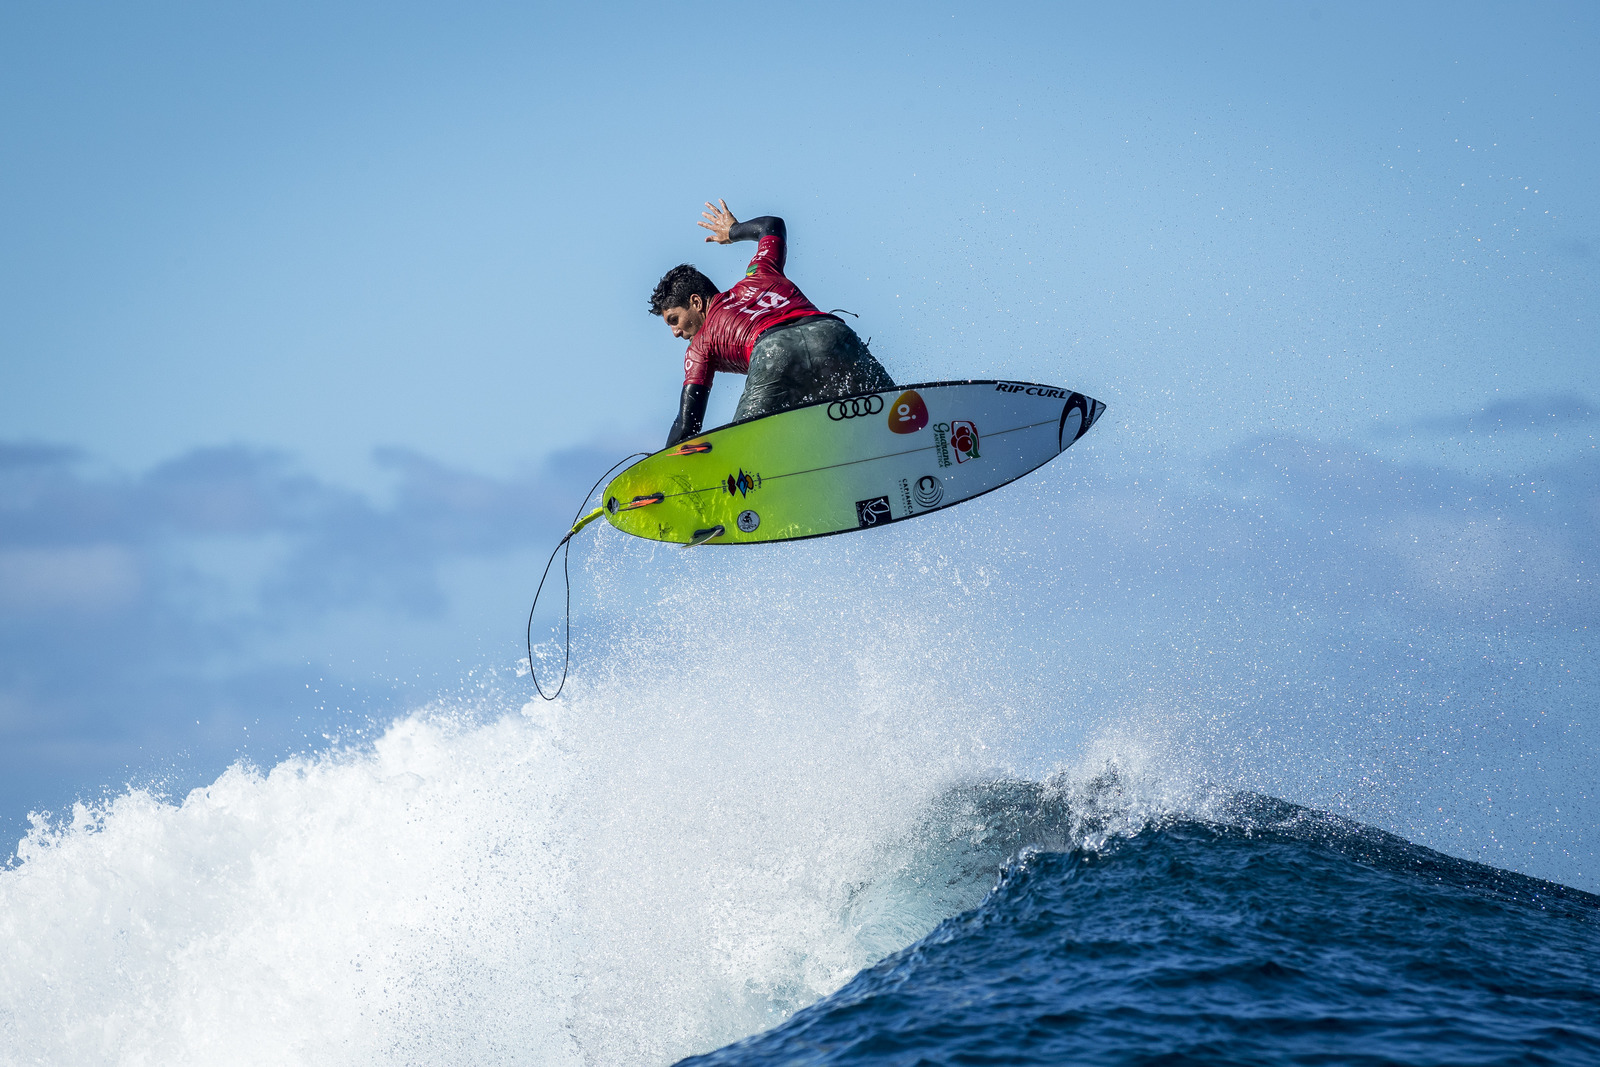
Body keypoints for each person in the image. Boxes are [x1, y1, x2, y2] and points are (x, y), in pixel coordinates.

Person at [649, 200, 895, 447]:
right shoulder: (761, 271)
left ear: (696, 302)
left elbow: (687, 423)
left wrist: (659, 467)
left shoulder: (700, 345)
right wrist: (733, 231)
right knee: (892, 410)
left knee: (745, 449)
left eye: (674, 320)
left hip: (773, 352)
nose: (676, 332)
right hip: (832, 335)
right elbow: (772, 225)